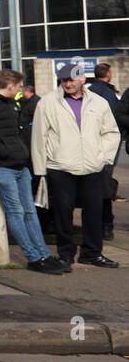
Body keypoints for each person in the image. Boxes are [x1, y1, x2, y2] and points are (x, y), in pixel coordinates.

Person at [0, 69, 63, 274]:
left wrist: (20, 153)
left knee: (29, 211)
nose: (21, 90)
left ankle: (43, 255)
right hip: (0, 165)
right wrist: (7, 152)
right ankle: (33, 257)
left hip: (18, 164)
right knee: (17, 211)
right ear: (11, 86)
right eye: (19, 86)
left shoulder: (11, 103)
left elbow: (15, 132)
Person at [31, 63, 120, 269]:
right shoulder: (48, 102)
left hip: (93, 166)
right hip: (60, 166)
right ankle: (65, 254)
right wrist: (41, 169)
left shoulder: (99, 103)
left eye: (72, 80)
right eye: (64, 80)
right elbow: (39, 137)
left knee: (94, 211)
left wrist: (102, 157)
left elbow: (111, 133)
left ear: (82, 80)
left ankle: (92, 253)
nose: (68, 84)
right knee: (63, 212)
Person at [87, 63, 121, 240]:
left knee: (92, 186)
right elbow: (114, 120)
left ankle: (97, 225)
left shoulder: (90, 90)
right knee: (104, 185)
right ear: (108, 74)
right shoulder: (108, 93)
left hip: (88, 145)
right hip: (104, 145)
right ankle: (106, 225)